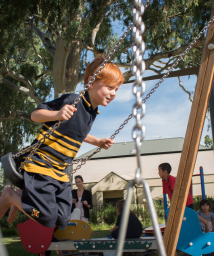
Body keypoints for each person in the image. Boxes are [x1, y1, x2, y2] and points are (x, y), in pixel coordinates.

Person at [0, 56, 125, 230]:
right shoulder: (73, 100)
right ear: (91, 82)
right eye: (110, 87)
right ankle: (12, 197)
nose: (114, 93)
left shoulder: (91, 112)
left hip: (59, 172)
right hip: (42, 165)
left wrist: (97, 141)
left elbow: (77, 133)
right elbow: (35, 115)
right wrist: (57, 115)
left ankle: (22, 197)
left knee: (62, 220)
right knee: (47, 218)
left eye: (116, 89)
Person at [158, 162, 211, 232]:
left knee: (191, 215)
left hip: (185, 200)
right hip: (179, 202)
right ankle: (193, 229)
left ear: (165, 171)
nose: (158, 173)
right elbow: (169, 194)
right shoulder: (164, 181)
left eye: (159, 171)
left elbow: (176, 193)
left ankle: (206, 223)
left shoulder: (172, 179)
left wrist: (175, 205)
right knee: (187, 216)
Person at [68, 175, 93, 256]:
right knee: (72, 237)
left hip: (84, 218)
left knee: (84, 238)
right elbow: (69, 206)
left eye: (79, 182)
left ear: (82, 182)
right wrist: (71, 203)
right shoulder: (72, 192)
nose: (78, 184)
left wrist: (87, 205)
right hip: (74, 217)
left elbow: (91, 206)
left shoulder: (87, 192)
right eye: (76, 182)